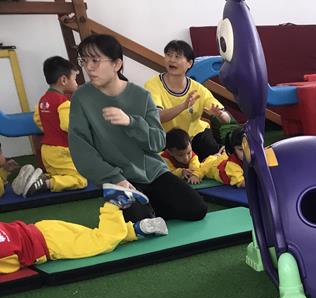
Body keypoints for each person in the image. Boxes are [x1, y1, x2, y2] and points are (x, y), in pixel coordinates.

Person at [68, 34, 207, 223]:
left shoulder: (141, 95)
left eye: (95, 60)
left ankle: (148, 207)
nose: (88, 67)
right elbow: (81, 151)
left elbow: (158, 142)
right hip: (118, 178)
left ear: (117, 64)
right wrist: (115, 178)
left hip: (153, 172)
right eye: (84, 61)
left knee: (197, 209)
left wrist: (131, 123)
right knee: (141, 223)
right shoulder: (81, 98)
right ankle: (141, 209)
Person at [0, 187, 166, 275]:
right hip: (42, 228)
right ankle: (136, 230)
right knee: (92, 237)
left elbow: (11, 266)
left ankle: (114, 203)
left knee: (101, 242)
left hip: (51, 245)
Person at [145, 39, 234, 161]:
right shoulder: (153, 85)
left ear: (189, 63)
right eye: (168, 55)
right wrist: (183, 106)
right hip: (167, 139)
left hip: (195, 136)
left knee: (219, 160)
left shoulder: (198, 89)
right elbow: (157, 116)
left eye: (177, 56)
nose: (171, 60)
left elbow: (227, 119)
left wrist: (220, 115)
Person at [17, 56, 89, 196]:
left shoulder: (43, 100)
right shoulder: (64, 102)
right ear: (63, 80)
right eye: (74, 79)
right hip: (61, 151)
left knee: (59, 174)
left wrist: (51, 129)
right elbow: (68, 126)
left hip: (47, 150)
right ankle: (44, 183)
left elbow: (38, 119)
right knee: (80, 180)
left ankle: (32, 180)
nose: (76, 83)